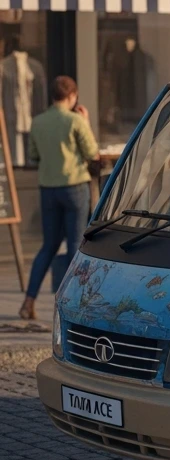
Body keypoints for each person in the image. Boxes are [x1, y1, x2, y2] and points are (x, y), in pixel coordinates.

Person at [19, 76, 98, 320]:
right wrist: (85, 121)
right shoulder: (75, 120)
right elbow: (91, 151)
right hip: (74, 187)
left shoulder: (38, 121)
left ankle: (28, 301)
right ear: (72, 96)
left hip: (48, 190)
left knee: (49, 246)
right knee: (76, 245)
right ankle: (72, 305)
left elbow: (33, 155)